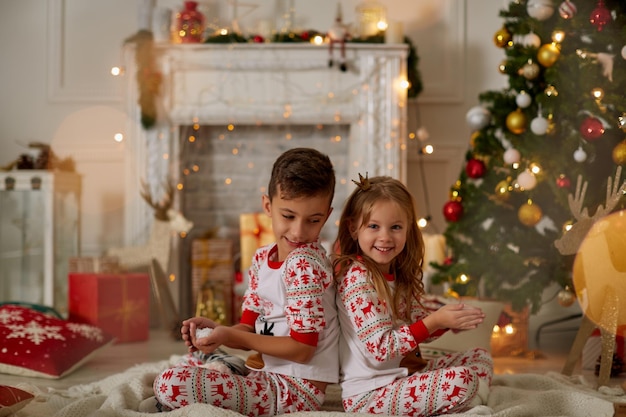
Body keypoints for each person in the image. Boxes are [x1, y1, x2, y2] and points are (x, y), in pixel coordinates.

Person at [149, 147, 339, 416]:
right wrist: (217, 332)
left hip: (294, 391)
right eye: (288, 216)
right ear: (267, 206)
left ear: (327, 216)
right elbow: (248, 328)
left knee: (170, 383)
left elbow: (303, 350)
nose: (298, 231)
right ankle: (213, 374)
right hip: (263, 373)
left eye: (314, 220)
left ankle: (181, 394)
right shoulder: (262, 259)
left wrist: (228, 335)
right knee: (192, 359)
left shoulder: (305, 265)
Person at [333, 174, 493, 416]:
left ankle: (467, 401)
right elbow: (381, 349)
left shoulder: (397, 275)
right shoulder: (358, 278)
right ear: (353, 228)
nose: (385, 237)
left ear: (408, 229)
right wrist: (435, 321)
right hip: (370, 394)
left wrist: (447, 323)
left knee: (479, 357)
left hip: (404, 376)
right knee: (462, 380)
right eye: (374, 226)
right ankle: (470, 402)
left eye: (395, 227)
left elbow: (417, 324)